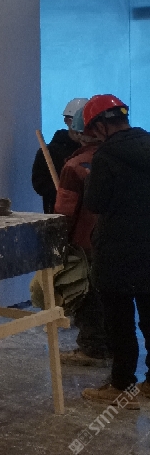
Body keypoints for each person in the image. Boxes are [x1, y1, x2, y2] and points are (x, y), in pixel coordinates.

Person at [79, 95, 150, 407]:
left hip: (117, 250)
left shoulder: (106, 155)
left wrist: (89, 180)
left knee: (119, 321)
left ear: (99, 126)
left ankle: (121, 385)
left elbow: (95, 203)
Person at [53, 108, 108, 365]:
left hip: (84, 241)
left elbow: (65, 210)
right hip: (112, 239)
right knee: (109, 295)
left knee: (86, 294)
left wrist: (60, 243)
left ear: (78, 133)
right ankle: (111, 345)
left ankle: (92, 348)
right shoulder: (114, 159)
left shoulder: (75, 166)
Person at [33, 97, 87, 213]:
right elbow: (39, 184)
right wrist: (64, 193)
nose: (80, 127)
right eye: (76, 121)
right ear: (67, 120)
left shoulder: (93, 151)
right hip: (57, 213)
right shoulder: (49, 152)